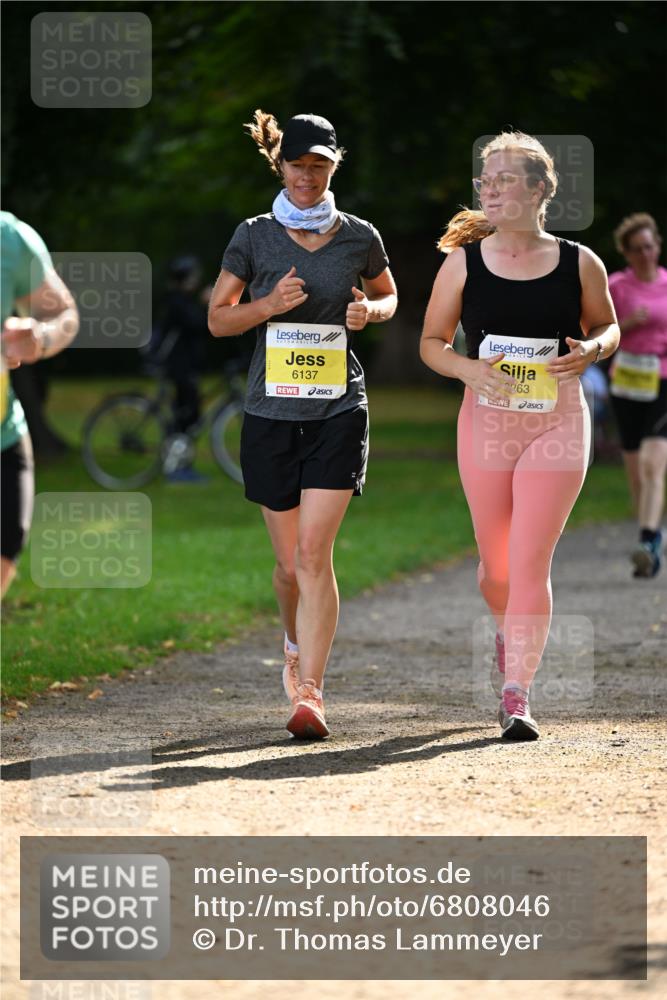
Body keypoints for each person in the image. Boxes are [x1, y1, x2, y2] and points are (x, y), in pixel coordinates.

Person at [420, 131, 619, 741]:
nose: (490, 188)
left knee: (532, 560)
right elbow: (430, 344)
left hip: (557, 420)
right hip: (485, 423)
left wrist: (591, 348)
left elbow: (608, 328)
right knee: (497, 570)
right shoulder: (463, 263)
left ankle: (517, 694)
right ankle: (509, 634)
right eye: (485, 180)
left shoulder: (580, 262)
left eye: (504, 178)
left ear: (539, 189)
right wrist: (468, 367)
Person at [208, 111, 397, 739]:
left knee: (316, 553)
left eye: (319, 165)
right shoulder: (255, 236)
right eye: (297, 164)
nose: (308, 176)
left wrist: (371, 309)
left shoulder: (358, 235)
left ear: (333, 166)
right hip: (270, 413)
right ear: (280, 165)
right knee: (289, 565)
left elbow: (391, 295)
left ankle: (311, 692)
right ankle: (292, 642)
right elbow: (218, 318)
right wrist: (267, 305)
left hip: (338, 408)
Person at [1, 211, 79, 596]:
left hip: (3, 434)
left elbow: (63, 314)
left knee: (6, 548)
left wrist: (40, 337)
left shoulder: (9, 239)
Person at [607, 213, 667, 578]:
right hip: (627, 381)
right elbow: (598, 329)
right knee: (635, 470)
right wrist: (627, 324)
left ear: (657, 245)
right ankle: (652, 534)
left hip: (662, 378)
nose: (646, 254)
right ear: (627, 254)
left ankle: (647, 542)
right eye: (637, 249)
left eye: (650, 246)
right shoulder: (616, 286)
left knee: (652, 461)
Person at [151, 255, 211, 483]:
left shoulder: (180, 300)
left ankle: (180, 464)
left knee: (188, 416)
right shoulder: (177, 302)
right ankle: (176, 467)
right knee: (185, 417)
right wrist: (207, 304)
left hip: (183, 367)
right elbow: (197, 324)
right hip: (178, 368)